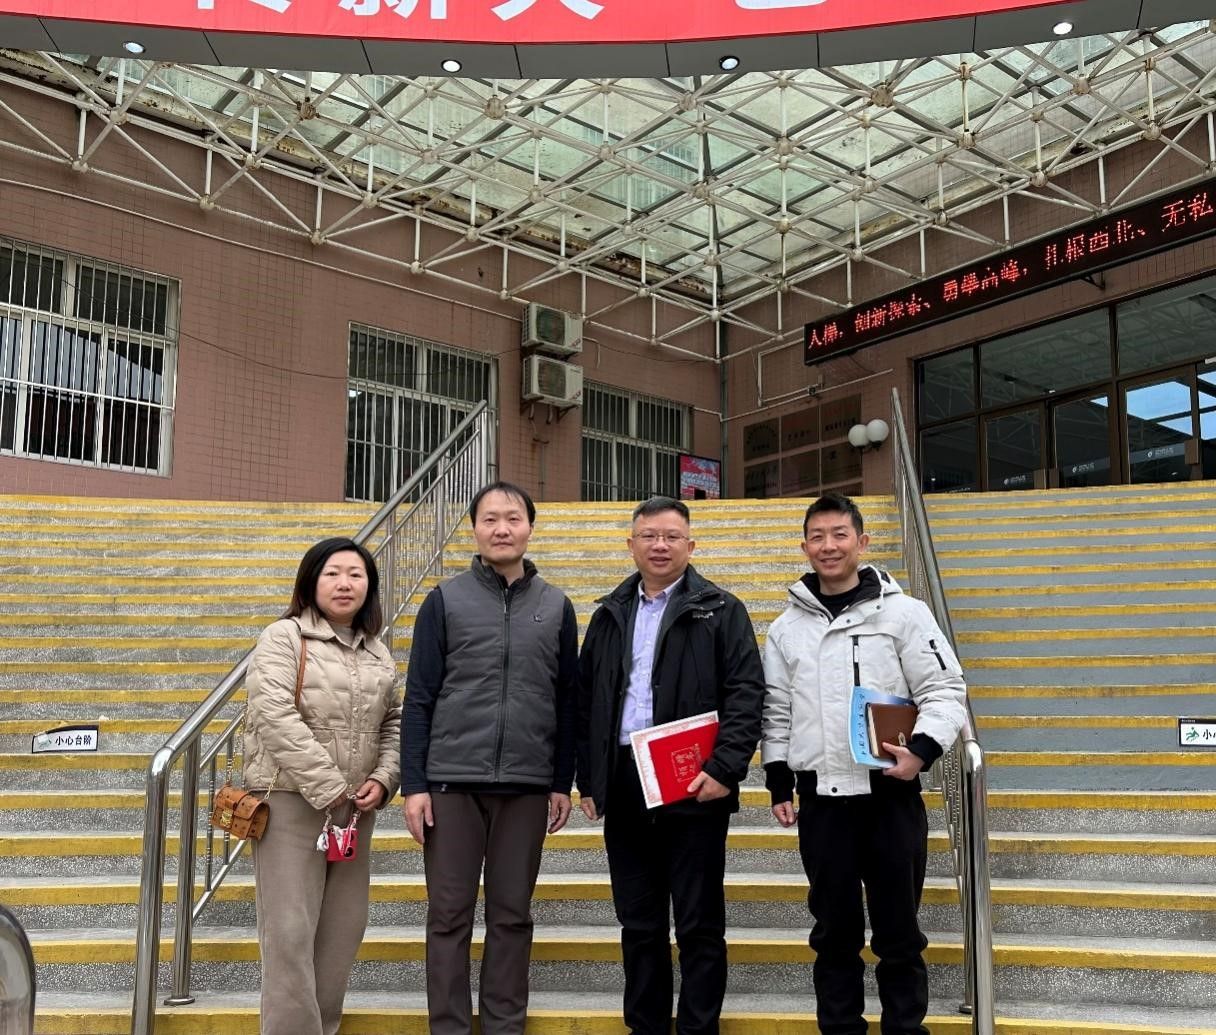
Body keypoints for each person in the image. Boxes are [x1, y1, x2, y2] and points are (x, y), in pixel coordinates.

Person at [761, 493, 967, 1035]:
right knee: (833, 933)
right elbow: (777, 709)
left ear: (862, 541)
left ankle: (905, 1028)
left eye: (839, 534)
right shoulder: (785, 628)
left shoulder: (904, 614)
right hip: (822, 802)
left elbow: (944, 688)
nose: (828, 546)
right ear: (805, 546)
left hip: (889, 797)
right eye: (817, 537)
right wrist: (778, 779)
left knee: (899, 933)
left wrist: (922, 749)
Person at [577, 495, 765, 1035]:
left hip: (693, 779)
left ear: (690, 544)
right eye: (649, 536)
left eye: (671, 536)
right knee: (638, 922)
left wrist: (725, 768)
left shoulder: (721, 610)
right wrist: (589, 779)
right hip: (625, 779)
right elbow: (587, 699)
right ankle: (647, 1026)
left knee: (699, 923)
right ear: (631, 543)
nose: (660, 545)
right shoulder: (609, 614)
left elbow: (746, 693)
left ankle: (699, 1027)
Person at [400, 480, 578, 1035]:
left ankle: (504, 1025)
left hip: (526, 784)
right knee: (448, 915)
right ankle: (449, 1027)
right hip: (451, 784)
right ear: (474, 529)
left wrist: (561, 781)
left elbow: (567, 701)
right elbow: (419, 697)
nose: (502, 529)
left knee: (512, 914)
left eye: (513, 518)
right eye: (490, 519)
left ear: (530, 527)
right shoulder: (444, 600)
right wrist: (414, 785)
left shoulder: (555, 606)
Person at [243, 536, 401, 1035]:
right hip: (290, 802)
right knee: (289, 933)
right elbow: (272, 713)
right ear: (311, 581)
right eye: (332, 573)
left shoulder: (378, 652)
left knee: (342, 931)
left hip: (354, 811)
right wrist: (329, 784)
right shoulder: (284, 637)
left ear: (369, 586)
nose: (344, 583)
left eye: (356, 574)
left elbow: (394, 723)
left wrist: (384, 778)